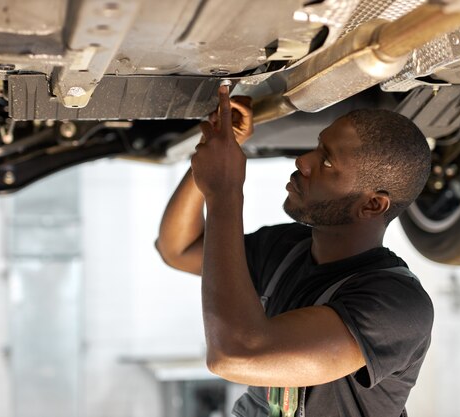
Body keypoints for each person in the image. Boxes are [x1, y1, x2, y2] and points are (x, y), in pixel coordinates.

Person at [155, 86, 434, 417]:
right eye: (317, 147)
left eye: (327, 161)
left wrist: (225, 190)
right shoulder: (287, 249)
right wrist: (213, 159)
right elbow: (179, 248)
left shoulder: (396, 305)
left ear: (372, 204)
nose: (303, 161)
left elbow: (234, 354)